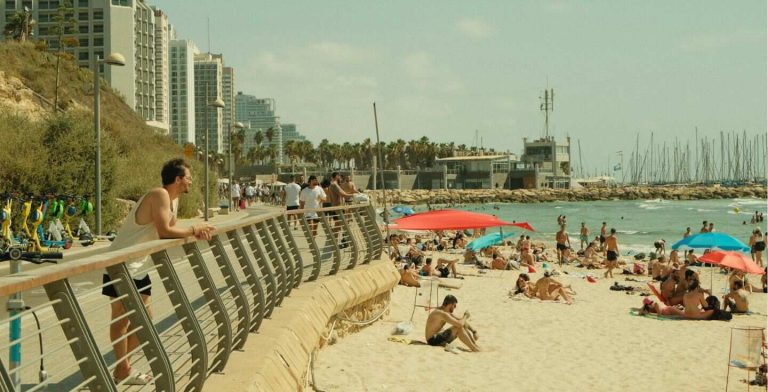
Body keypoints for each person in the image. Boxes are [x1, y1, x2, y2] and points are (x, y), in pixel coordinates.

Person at [102, 159, 214, 385]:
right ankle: (123, 369)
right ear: (178, 179)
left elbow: (173, 230)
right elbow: (165, 231)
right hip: (121, 263)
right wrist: (193, 230)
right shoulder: (159, 194)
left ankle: (123, 368)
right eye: (188, 177)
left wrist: (194, 233)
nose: (191, 181)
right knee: (122, 318)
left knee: (145, 318)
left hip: (138, 265)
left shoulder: (172, 200)